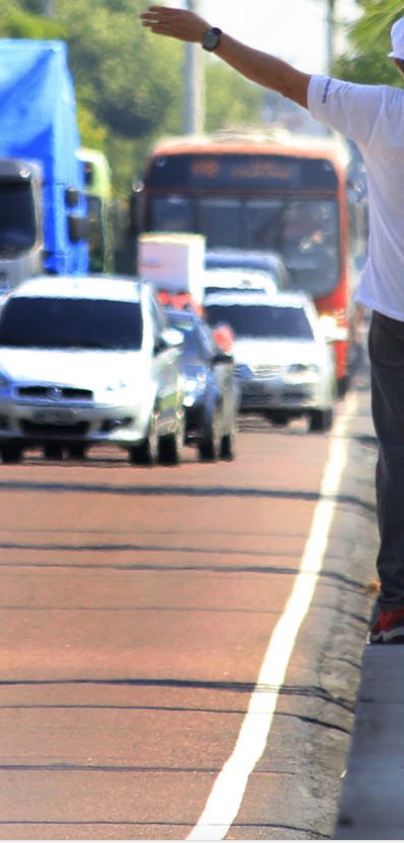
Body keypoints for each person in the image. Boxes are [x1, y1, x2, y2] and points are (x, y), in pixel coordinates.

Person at [141, 6, 404, 644]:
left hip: (399, 320)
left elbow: (286, 80)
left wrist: (209, 36)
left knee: (399, 458)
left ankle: (397, 602)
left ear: (398, 62)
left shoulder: (380, 111)